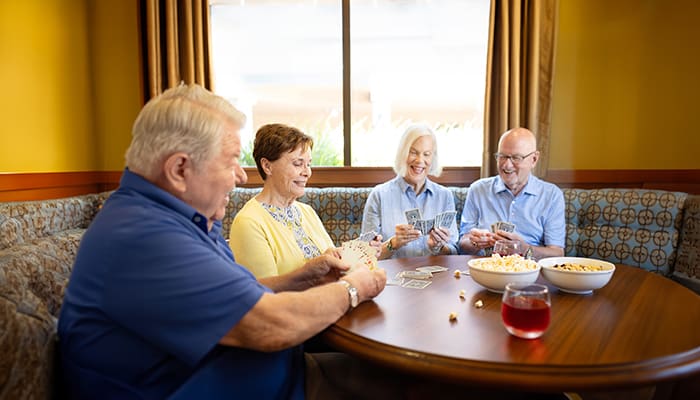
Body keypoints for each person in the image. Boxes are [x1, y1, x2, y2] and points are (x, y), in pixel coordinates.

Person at [56, 84, 388, 399]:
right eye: (230, 159)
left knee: (402, 381)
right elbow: (269, 324)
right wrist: (354, 288)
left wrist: (307, 276)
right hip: (254, 386)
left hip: (274, 375)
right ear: (179, 170)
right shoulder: (144, 237)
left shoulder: (181, 218)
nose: (242, 175)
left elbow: (243, 294)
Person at [229, 123, 382, 278]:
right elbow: (264, 294)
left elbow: (331, 261)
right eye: (298, 164)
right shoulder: (248, 222)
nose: (307, 172)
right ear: (267, 166)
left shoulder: (306, 211)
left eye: (308, 164)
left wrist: (357, 252)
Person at [458, 127, 565, 259]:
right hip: (485, 270)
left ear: (534, 159)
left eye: (516, 158)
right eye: (502, 156)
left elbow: (557, 253)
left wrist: (524, 248)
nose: (507, 165)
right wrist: (474, 242)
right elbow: (463, 243)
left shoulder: (551, 195)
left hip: (528, 272)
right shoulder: (478, 189)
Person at [361, 123, 459, 259]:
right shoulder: (379, 195)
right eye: (413, 152)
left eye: (427, 154)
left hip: (436, 276)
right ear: (403, 154)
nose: (420, 160)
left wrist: (439, 247)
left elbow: (454, 250)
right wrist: (393, 243)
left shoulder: (444, 196)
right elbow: (365, 254)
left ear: (433, 158)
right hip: (391, 278)